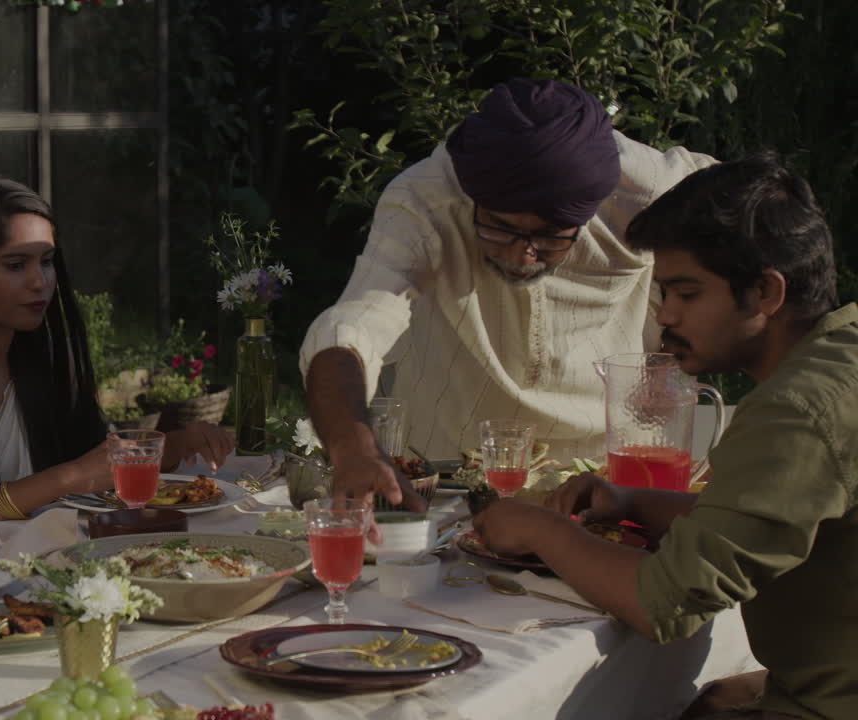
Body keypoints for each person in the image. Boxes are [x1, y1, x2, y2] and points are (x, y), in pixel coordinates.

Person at [473, 153, 857, 719]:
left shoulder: (795, 409)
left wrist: (540, 527)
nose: (667, 317)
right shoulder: (840, 358)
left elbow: (662, 603)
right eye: (663, 296)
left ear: (767, 294)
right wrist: (632, 501)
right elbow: (782, 516)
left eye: (688, 294)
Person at [300, 77, 718, 511]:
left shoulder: (646, 189)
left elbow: (749, 227)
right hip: (453, 479)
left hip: (609, 479)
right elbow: (353, 326)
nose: (524, 255)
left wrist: (677, 334)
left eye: (551, 235)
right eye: (500, 228)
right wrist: (354, 447)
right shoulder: (425, 201)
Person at [0, 176, 233, 539]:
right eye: (15, 265)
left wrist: (181, 444)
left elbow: (102, 463)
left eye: (46, 261)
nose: (39, 281)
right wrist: (67, 478)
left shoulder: (44, 363)